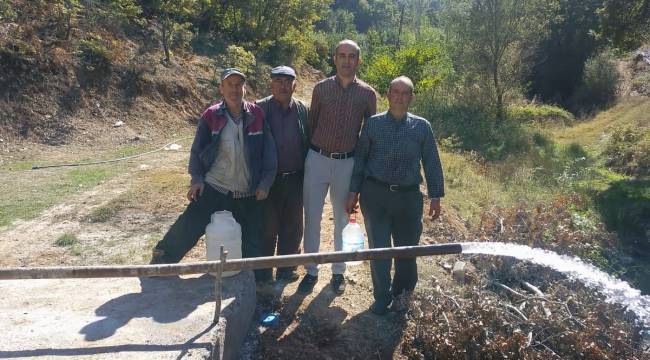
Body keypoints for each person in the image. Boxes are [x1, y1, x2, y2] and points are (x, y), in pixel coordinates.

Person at [150, 68, 277, 282]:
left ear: (244, 88)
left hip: (247, 192)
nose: (235, 90)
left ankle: (258, 283)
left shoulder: (257, 114)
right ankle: (161, 261)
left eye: (239, 85)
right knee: (190, 225)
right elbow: (197, 150)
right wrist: (197, 179)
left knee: (253, 241)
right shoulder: (211, 116)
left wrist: (265, 183)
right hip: (215, 186)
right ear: (221, 88)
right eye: (230, 85)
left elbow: (269, 153)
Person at [345, 76, 444, 315]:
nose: (399, 97)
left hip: (408, 199)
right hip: (375, 196)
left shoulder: (422, 127)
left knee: (407, 251)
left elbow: (431, 162)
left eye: (405, 93)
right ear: (387, 95)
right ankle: (382, 297)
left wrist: (436, 195)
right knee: (379, 250)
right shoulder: (373, 124)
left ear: (411, 97)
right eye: (395, 92)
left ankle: (402, 295)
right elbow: (360, 160)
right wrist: (353, 191)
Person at [299, 39, 377, 295]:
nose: (346, 60)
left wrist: (361, 171)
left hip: (347, 162)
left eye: (351, 56)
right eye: (341, 55)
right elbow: (312, 123)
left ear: (359, 60)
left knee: (343, 219)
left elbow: (368, 134)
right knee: (311, 217)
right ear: (334, 58)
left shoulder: (367, 94)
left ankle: (338, 271)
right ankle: (310, 271)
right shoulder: (321, 89)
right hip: (318, 158)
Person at [255, 66, 310, 283]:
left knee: (293, 227)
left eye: (288, 82)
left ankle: (287, 269)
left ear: (295, 85)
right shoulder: (258, 109)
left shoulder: (303, 109)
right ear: (271, 84)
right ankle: (263, 272)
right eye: (278, 81)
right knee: (267, 227)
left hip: (296, 178)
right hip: (269, 180)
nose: (283, 86)